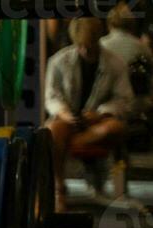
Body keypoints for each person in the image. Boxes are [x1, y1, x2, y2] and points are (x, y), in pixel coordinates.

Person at [45, 17, 135, 208]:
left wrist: (101, 113)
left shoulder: (115, 63)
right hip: (68, 120)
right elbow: (51, 97)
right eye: (81, 45)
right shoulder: (59, 61)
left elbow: (124, 100)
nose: (85, 50)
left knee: (115, 127)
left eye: (90, 46)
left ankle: (69, 147)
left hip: (97, 123)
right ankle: (59, 188)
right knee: (53, 130)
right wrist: (64, 113)